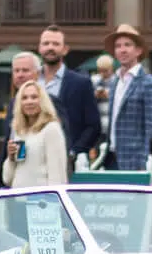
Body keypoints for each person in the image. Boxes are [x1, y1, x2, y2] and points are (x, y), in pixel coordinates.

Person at [103, 23, 152, 172]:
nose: (122, 50)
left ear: (138, 50)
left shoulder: (150, 83)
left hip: (136, 161)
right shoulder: (115, 81)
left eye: (127, 45)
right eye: (118, 46)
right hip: (112, 156)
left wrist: (145, 161)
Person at [38, 24, 103, 165]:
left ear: (65, 49)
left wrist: (74, 152)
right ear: (39, 48)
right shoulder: (32, 81)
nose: (50, 47)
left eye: (56, 44)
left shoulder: (81, 83)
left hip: (68, 161)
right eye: (46, 43)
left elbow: (93, 125)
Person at [2, 80, 69, 190]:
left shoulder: (51, 128)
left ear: (42, 101)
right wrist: (10, 158)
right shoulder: (18, 130)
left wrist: (54, 203)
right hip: (17, 198)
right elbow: (7, 179)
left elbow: (57, 175)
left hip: (40, 202)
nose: (29, 101)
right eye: (24, 98)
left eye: (34, 97)